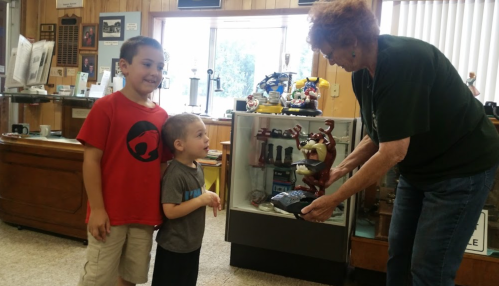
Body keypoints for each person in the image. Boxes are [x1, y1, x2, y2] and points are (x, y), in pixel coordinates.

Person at [302, 0, 499, 285]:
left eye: (331, 53)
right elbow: (376, 134)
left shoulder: (402, 62)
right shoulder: (360, 74)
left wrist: (335, 199)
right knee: (399, 257)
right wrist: (338, 171)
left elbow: (392, 152)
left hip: (461, 169)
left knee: (431, 267)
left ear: (351, 40)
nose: (331, 61)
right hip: (417, 170)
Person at [76, 36, 170, 286]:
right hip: (110, 213)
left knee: (132, 275)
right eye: (147, 64)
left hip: (145, 214)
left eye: (160, 67)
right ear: (124, 66)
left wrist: (161, 207)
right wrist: (96, 209)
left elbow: (162, 166)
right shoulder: (106, 107)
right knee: (98, 277)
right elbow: (91, 161)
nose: (154, 72)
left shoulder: (162, 116)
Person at [152, 113, 221, 286]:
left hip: (192, 242)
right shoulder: (175, 174)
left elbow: (199, 193)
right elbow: (170, 211)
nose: (206, 139)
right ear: (179, 145)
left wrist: (209, 196)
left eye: (205, 133)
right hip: (174, 247)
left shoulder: (197, 166)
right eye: (199, 135)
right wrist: (201, 200)